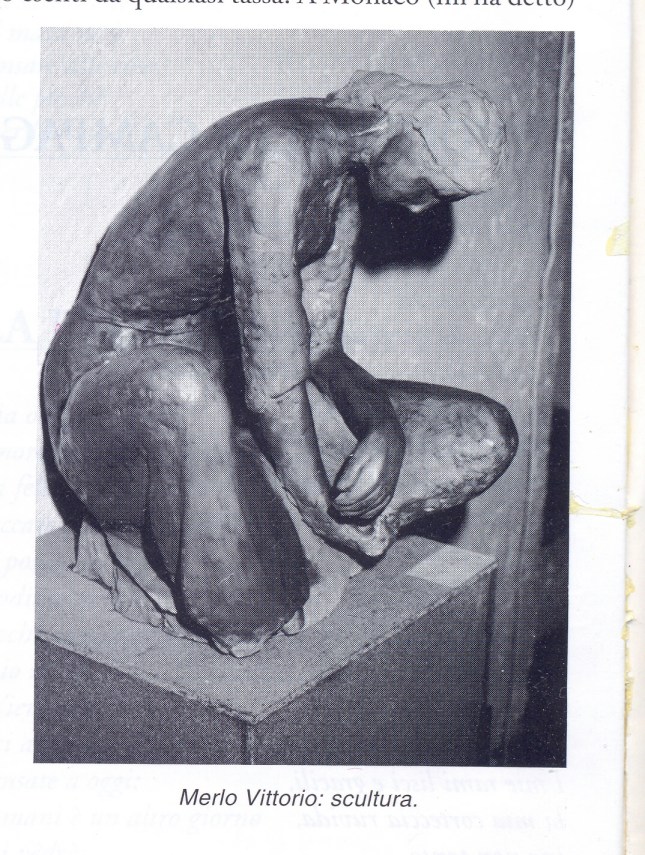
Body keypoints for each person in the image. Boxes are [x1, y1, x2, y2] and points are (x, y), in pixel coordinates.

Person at [43, 72, 517, 656]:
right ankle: (256, 538)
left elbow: (319, 351)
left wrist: (383, 430)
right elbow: (273, 387)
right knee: (246, 610)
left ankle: (271, 523)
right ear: (408, 133)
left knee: (482, 436)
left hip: (231, 399)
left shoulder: (341, 184)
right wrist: (324, 508)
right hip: (117, 394)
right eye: (431, 188)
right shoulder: (274, 155)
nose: (423, 207)